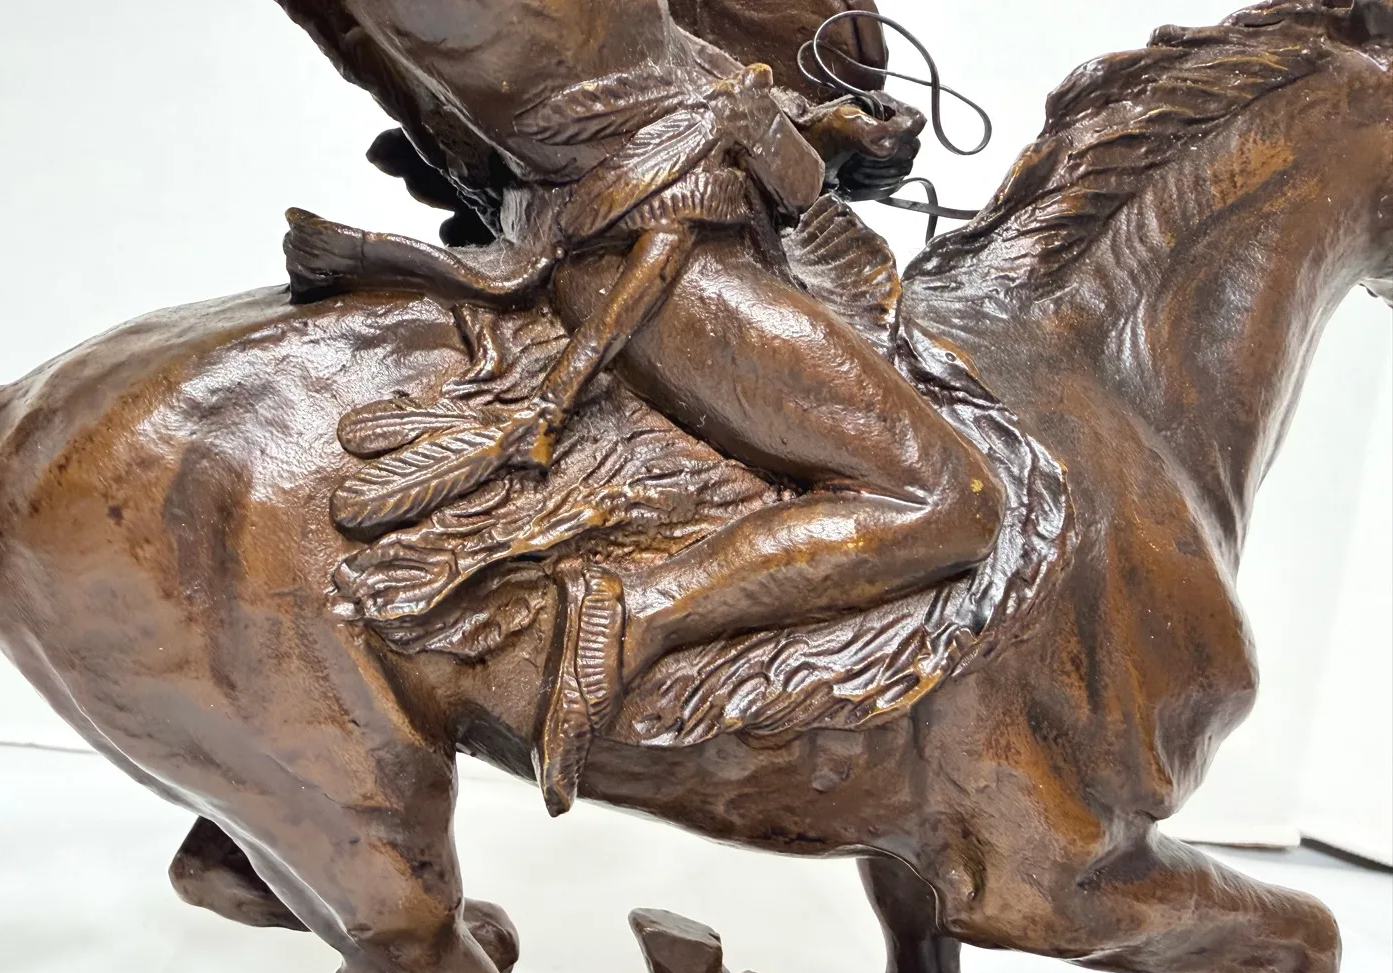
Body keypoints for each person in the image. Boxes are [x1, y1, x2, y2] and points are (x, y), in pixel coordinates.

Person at [278, 0, 1006, 813]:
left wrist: (820, 135)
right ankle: (636, 614)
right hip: (657, 257)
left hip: (699, 230)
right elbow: (630, 120)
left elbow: (672, 86)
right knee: (949, 500)